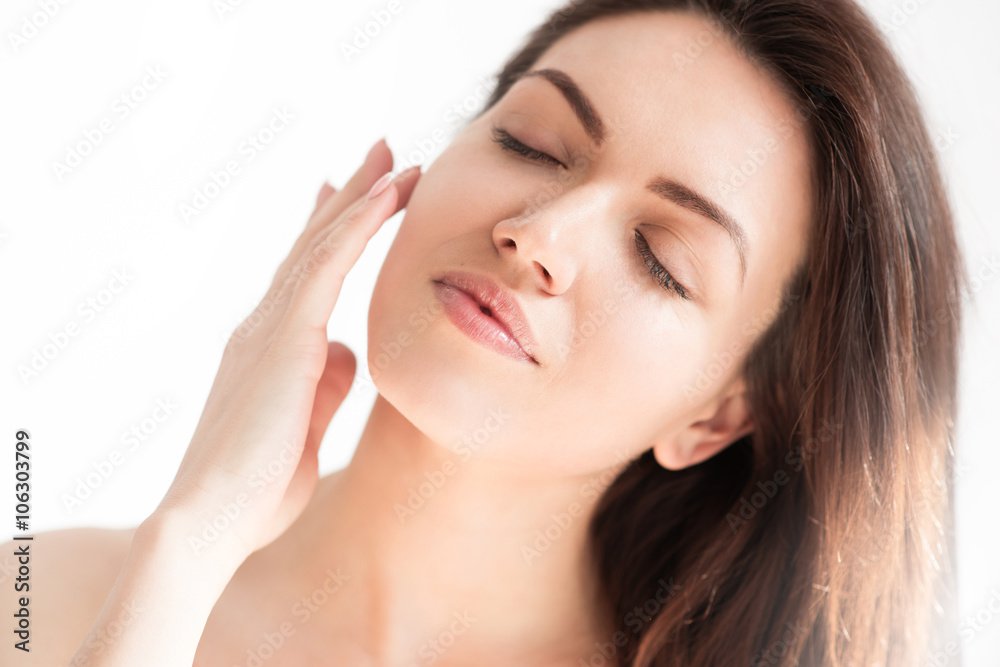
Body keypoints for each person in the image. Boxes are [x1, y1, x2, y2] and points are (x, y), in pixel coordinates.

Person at [11, 0, 964, 665]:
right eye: (532, 144)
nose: (539, 235)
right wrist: (186, 546)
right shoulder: (42, 599)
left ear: (715, 418)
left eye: (662, 256)